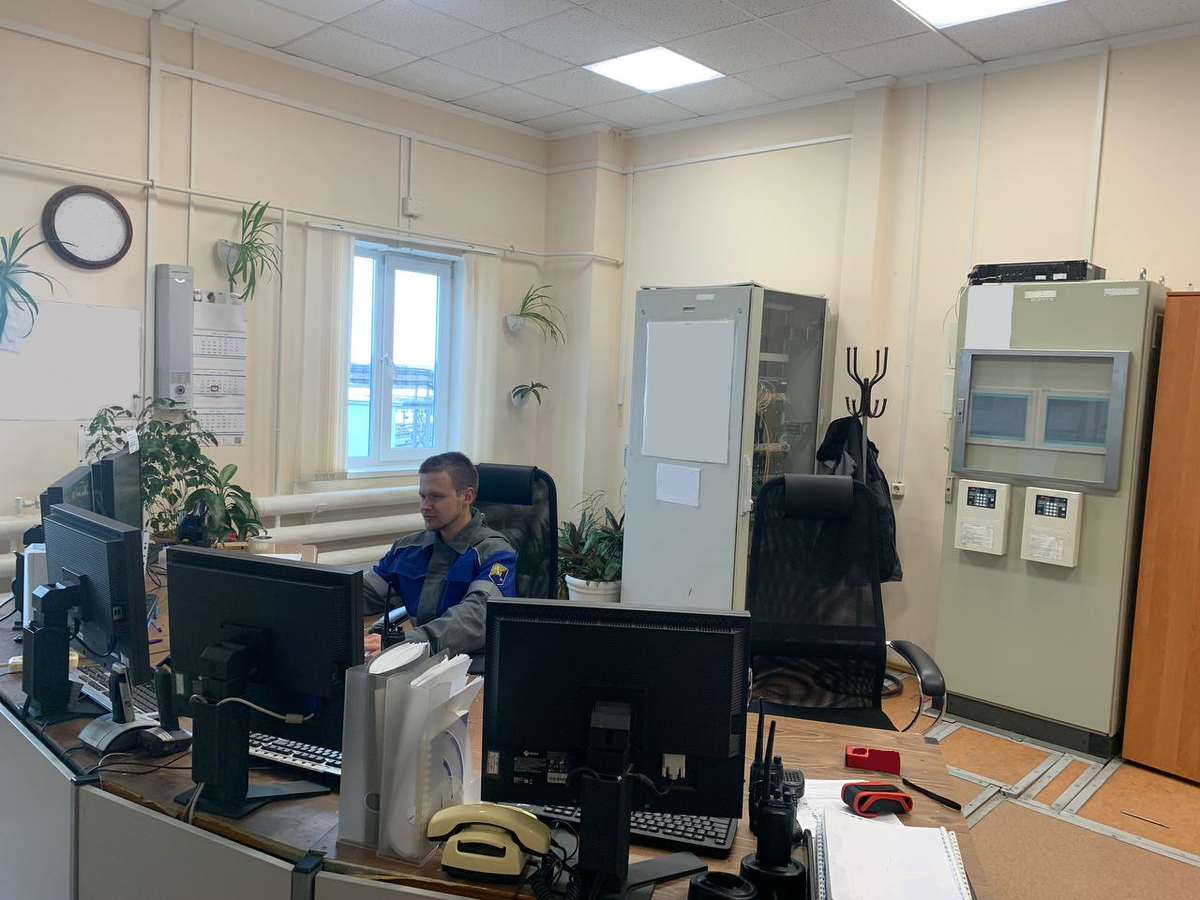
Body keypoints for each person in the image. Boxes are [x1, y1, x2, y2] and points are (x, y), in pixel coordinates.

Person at [362, 452, 516, 657]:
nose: (425, 506)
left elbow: (476, 617)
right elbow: (362, 594)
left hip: (475, 663)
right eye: (422, 496)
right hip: (418, 657)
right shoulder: (406, 549)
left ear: (467, 497)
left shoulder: (497, 554)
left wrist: (410, 643)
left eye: (436, 497)